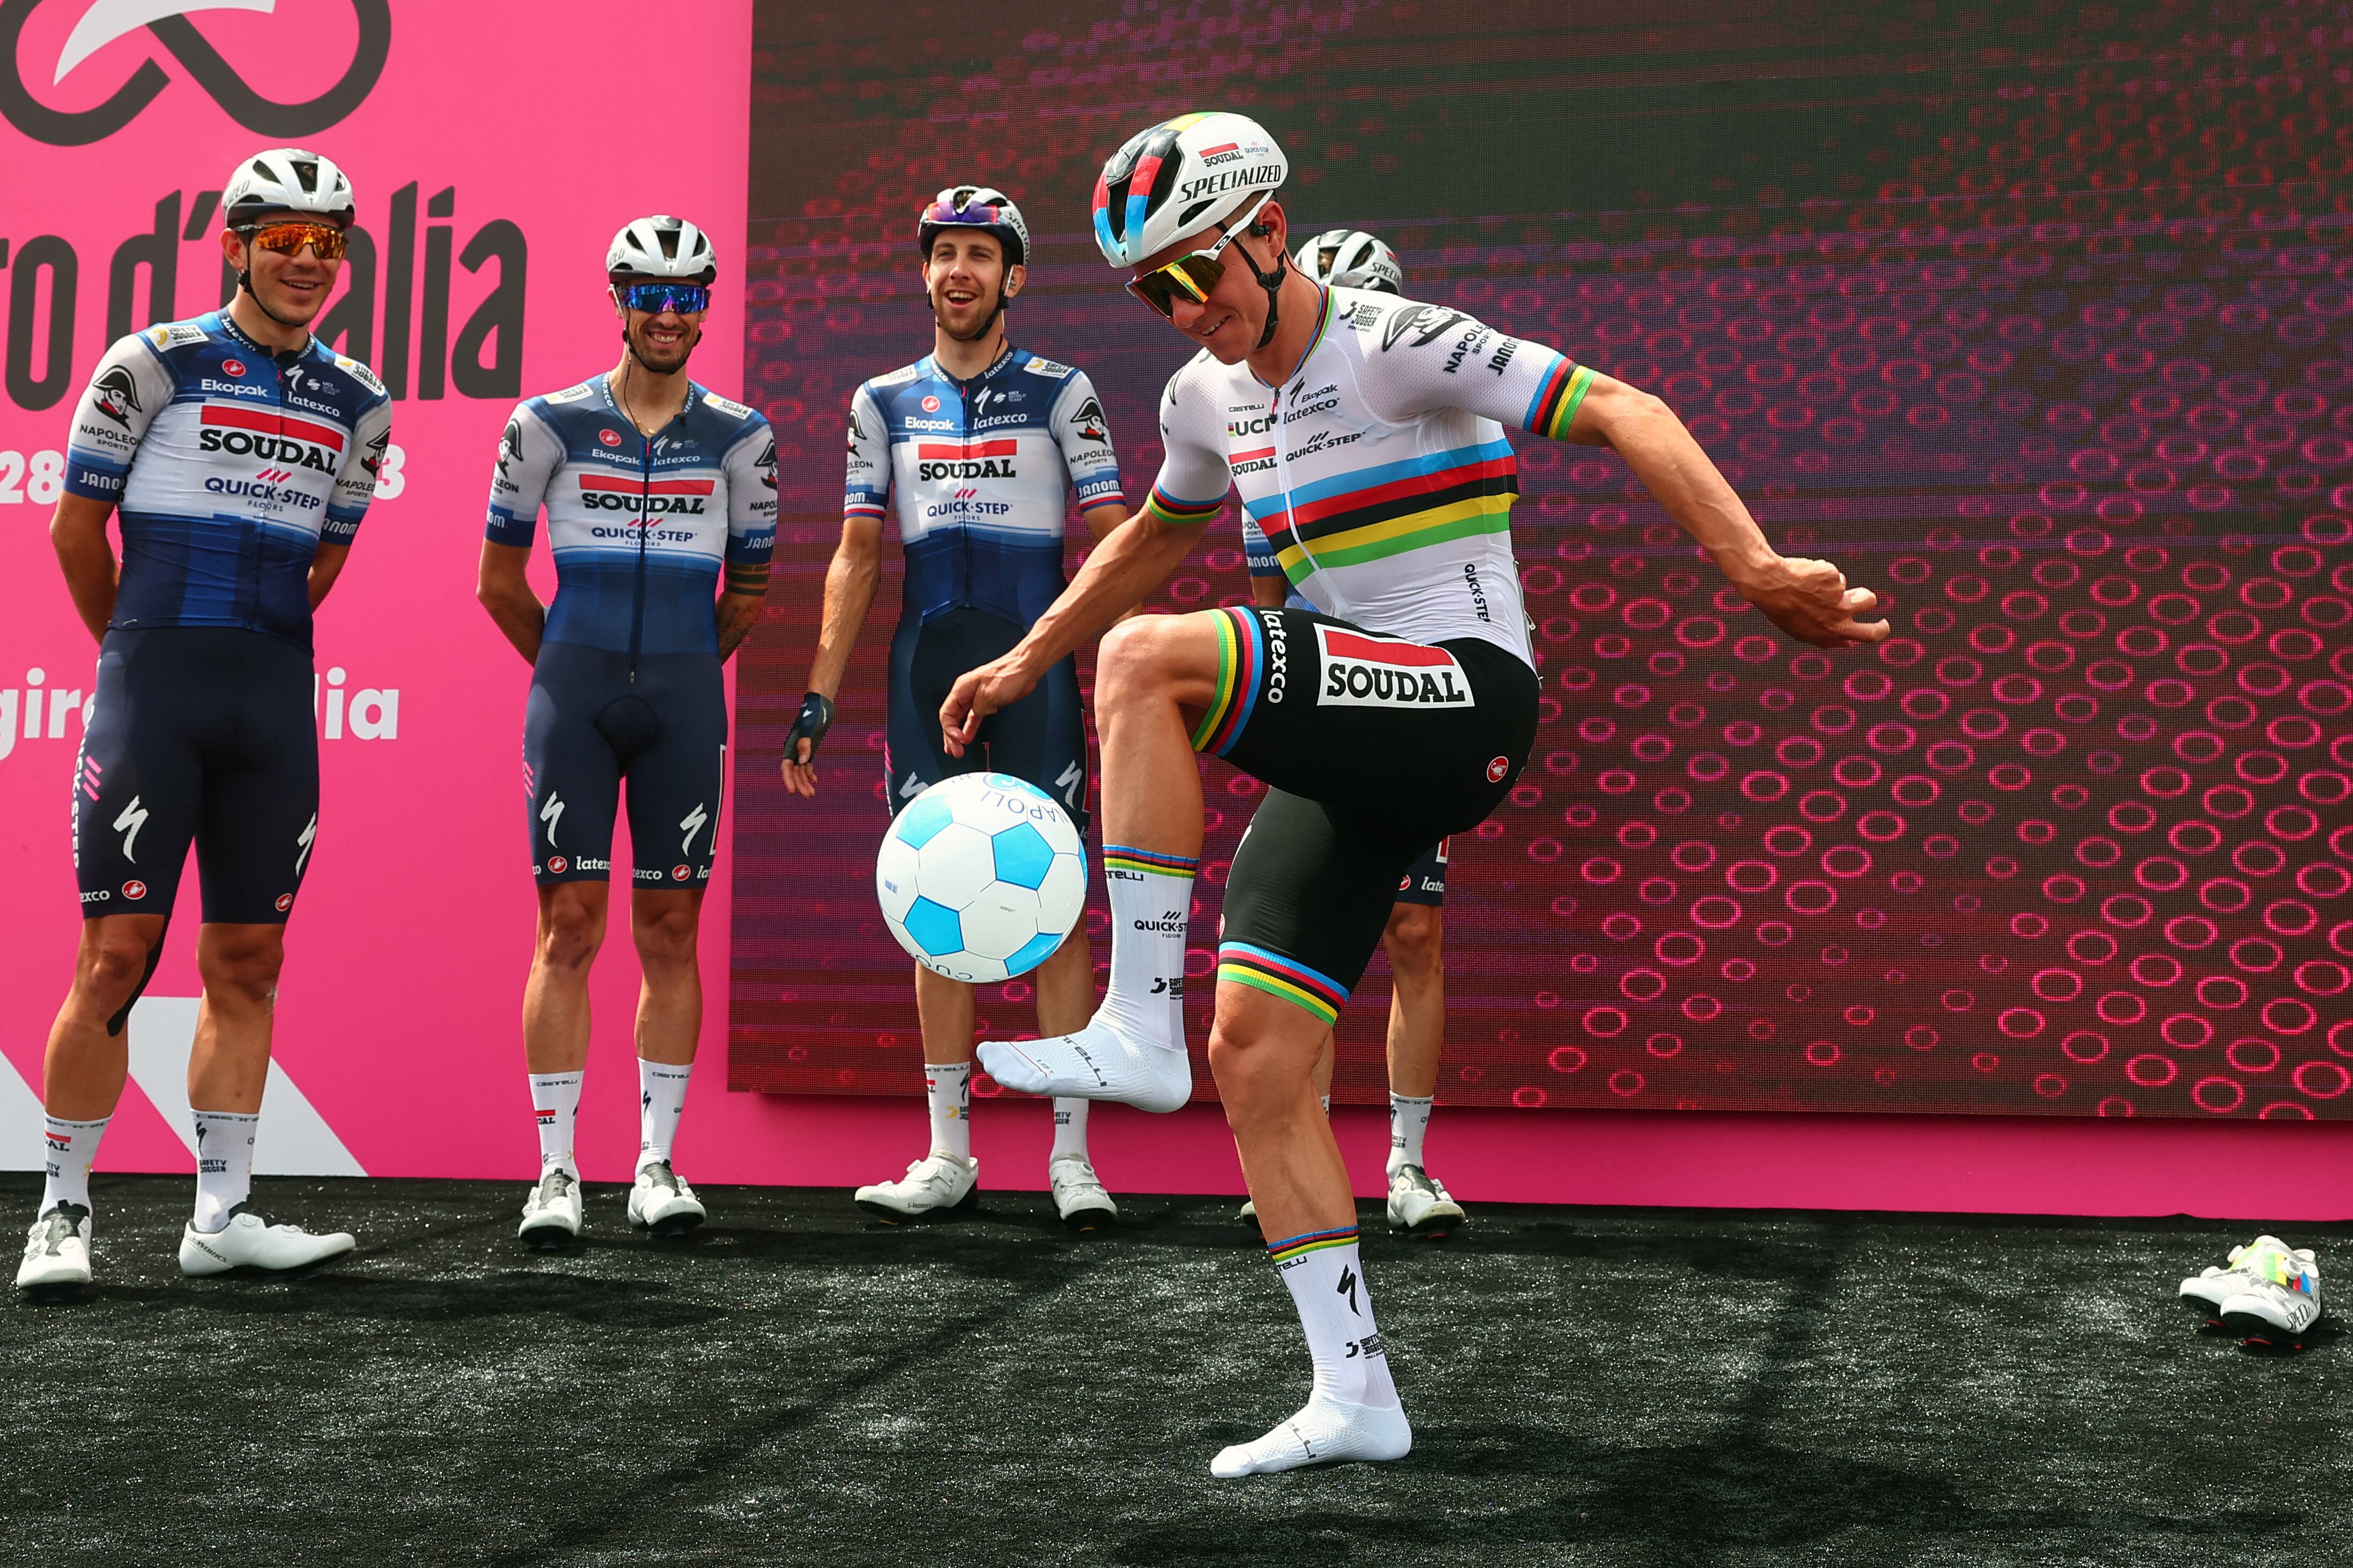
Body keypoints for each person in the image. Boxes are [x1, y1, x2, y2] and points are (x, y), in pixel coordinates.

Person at [944, 111, 1888, 1475]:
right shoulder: (1202, 398)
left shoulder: (1390, 339)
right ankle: (1354, 1394)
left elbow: (1623, 406)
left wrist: (1751, 568)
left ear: (1267, 232)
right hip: (1363, 734)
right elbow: (1158, 531)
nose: (1183, 308)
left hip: (1466, 696)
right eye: (1152, 290)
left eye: (1197, 272)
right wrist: (1030, 650)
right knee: (1257, 1057)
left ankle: (1131, 1018)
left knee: (1149, 662)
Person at [20, 147, 391, 1291]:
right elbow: (75, 535)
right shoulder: (153, 362)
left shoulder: (359, 401)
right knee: (115, 956)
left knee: (249, 957)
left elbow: (326, 562)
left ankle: (221, 1212)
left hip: (274, 696)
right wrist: (132, 649)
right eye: (281, 239)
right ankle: (59, 1216)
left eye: (325, 243)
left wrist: (244, 646)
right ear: (234, 242)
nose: (305, 262)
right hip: (155, 688)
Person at [780, 186, 1133, 1229]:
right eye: (943, 255)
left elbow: (1117, 541)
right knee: (935, 904)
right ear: (925, 273)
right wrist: (818, 697)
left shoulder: (1063, 393)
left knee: (1060, 904)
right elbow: (855, 553)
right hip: (922, 671)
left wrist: (1103, 677)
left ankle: (1071, 1155)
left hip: (1040, 671)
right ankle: (947, 1150)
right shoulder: (881, 399)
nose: (959, 272)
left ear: (1014, 275)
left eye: (980, 255)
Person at [477, 216, 776, 1246]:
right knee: (567, 930)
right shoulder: (547, 422)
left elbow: (748, 591)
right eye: (647, 292)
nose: (666, 311)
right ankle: (556, 1171)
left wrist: (686, 671)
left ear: (705, 309)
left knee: (670, 933)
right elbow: (498, 583)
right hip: (577, 692)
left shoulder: (741, 436)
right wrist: (568, 663)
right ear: (617, 298)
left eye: (687, 295)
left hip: (686, 698)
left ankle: (657, 1163)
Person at [1232, 227, 1460, 1242]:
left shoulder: (1434, 413)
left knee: (1415, 930)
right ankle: (1302, 1144)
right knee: (1304, 945)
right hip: (1327, 706)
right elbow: (1270, 604)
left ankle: (1409, 1165)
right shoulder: (1266, 433)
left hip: (1423, 701)